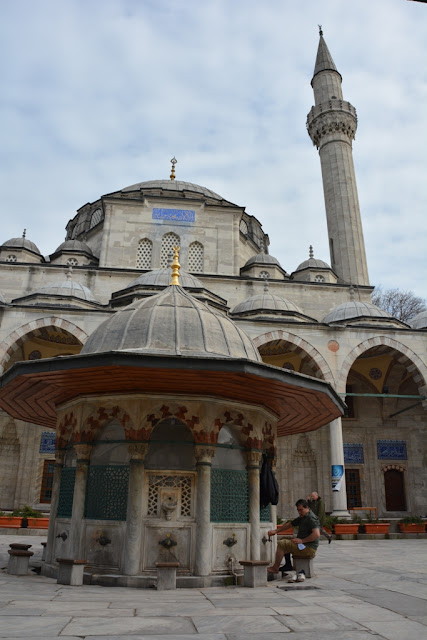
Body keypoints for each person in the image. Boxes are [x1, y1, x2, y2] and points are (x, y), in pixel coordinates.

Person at [267, 498, 320, 581]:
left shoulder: (311, 518)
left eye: (301, 510)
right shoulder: (303, 517)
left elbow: (316, 534)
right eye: (298, 510)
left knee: (282, 543)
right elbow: (289, 525)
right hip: (303, 545)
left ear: (307, 508)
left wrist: (302, 541)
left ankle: (275, 568)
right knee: (286, 539)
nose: (299, 512)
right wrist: (276, 531)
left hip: (308, 548)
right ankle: (288, 564)